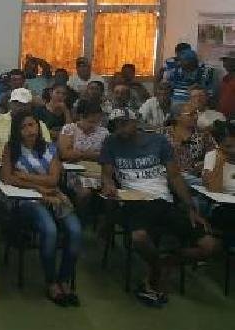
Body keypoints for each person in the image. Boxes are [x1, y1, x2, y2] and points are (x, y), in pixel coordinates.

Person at [101, 108, 220, 306]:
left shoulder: (158, 141)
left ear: (135, 122)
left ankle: (164, 264)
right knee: (139, 237)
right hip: (134, 201)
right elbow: (106, 174)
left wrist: (190, 206)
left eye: (124, 124)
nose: (120, 131)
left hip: (163, 201)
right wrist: (109, 185)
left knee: (210, 245)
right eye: (115, 127)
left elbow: (174, 176)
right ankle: (157, 269)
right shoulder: (111, 143)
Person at [2, 110, 82, 306]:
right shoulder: (12, 149)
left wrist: (25, 176)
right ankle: (52, 281)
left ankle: (64, 279)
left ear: (38, 126)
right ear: (17, 131)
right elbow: (7, 178)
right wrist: (38, 187)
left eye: (32, 125)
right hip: (27, 201)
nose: (29, 130)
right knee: (50, 230)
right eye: (23, 127)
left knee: (76, 231)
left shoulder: (51, 148)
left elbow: (54, 179)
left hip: (55, 198)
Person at [58, 99, 109, 212]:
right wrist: (93, 155)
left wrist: (79, 154)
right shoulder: (69, 129)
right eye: (90, 122)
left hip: (97, 171)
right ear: (81, 117)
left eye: (97, 122)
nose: (93, 125)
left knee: (109, 190)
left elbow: (106, 155)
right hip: (74, 171)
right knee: (84, 192)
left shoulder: (104, 132)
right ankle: (79, 215)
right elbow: (65, 154)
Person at [0, 88, 51, 163]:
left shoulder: (40, 125)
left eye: (23, 104)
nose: (19, 107)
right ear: (10, 104)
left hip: (31, 168)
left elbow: (48, 148)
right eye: (16, 103)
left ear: (30, 106)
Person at [160, 103, 216, 178]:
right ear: (177, 117)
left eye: (196, 113)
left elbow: (214, 155)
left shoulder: (203, 135)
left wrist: (203, 165)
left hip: (196, 177)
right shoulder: (162, 134)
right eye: (191, 114)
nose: (196, 117)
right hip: (167, 176)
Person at [219, 53, 235, 119]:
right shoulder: (225, 78)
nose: (224, 63)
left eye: (227, 60)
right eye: (224, 61)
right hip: (223, 115)